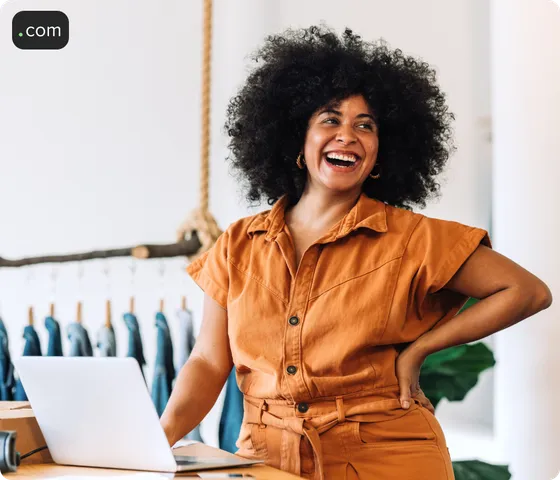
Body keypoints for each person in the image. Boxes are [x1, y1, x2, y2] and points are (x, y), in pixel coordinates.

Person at [160, 26, 552, 479]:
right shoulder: (236, 243)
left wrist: (421, 349)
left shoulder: (412, 238)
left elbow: (526, 291)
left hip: (387, 458)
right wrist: (156, 440)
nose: (348, 135)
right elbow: (208, 362)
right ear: (296, 142)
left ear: (381, 152)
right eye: (330, 119)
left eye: (364, 125)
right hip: (267, 460)